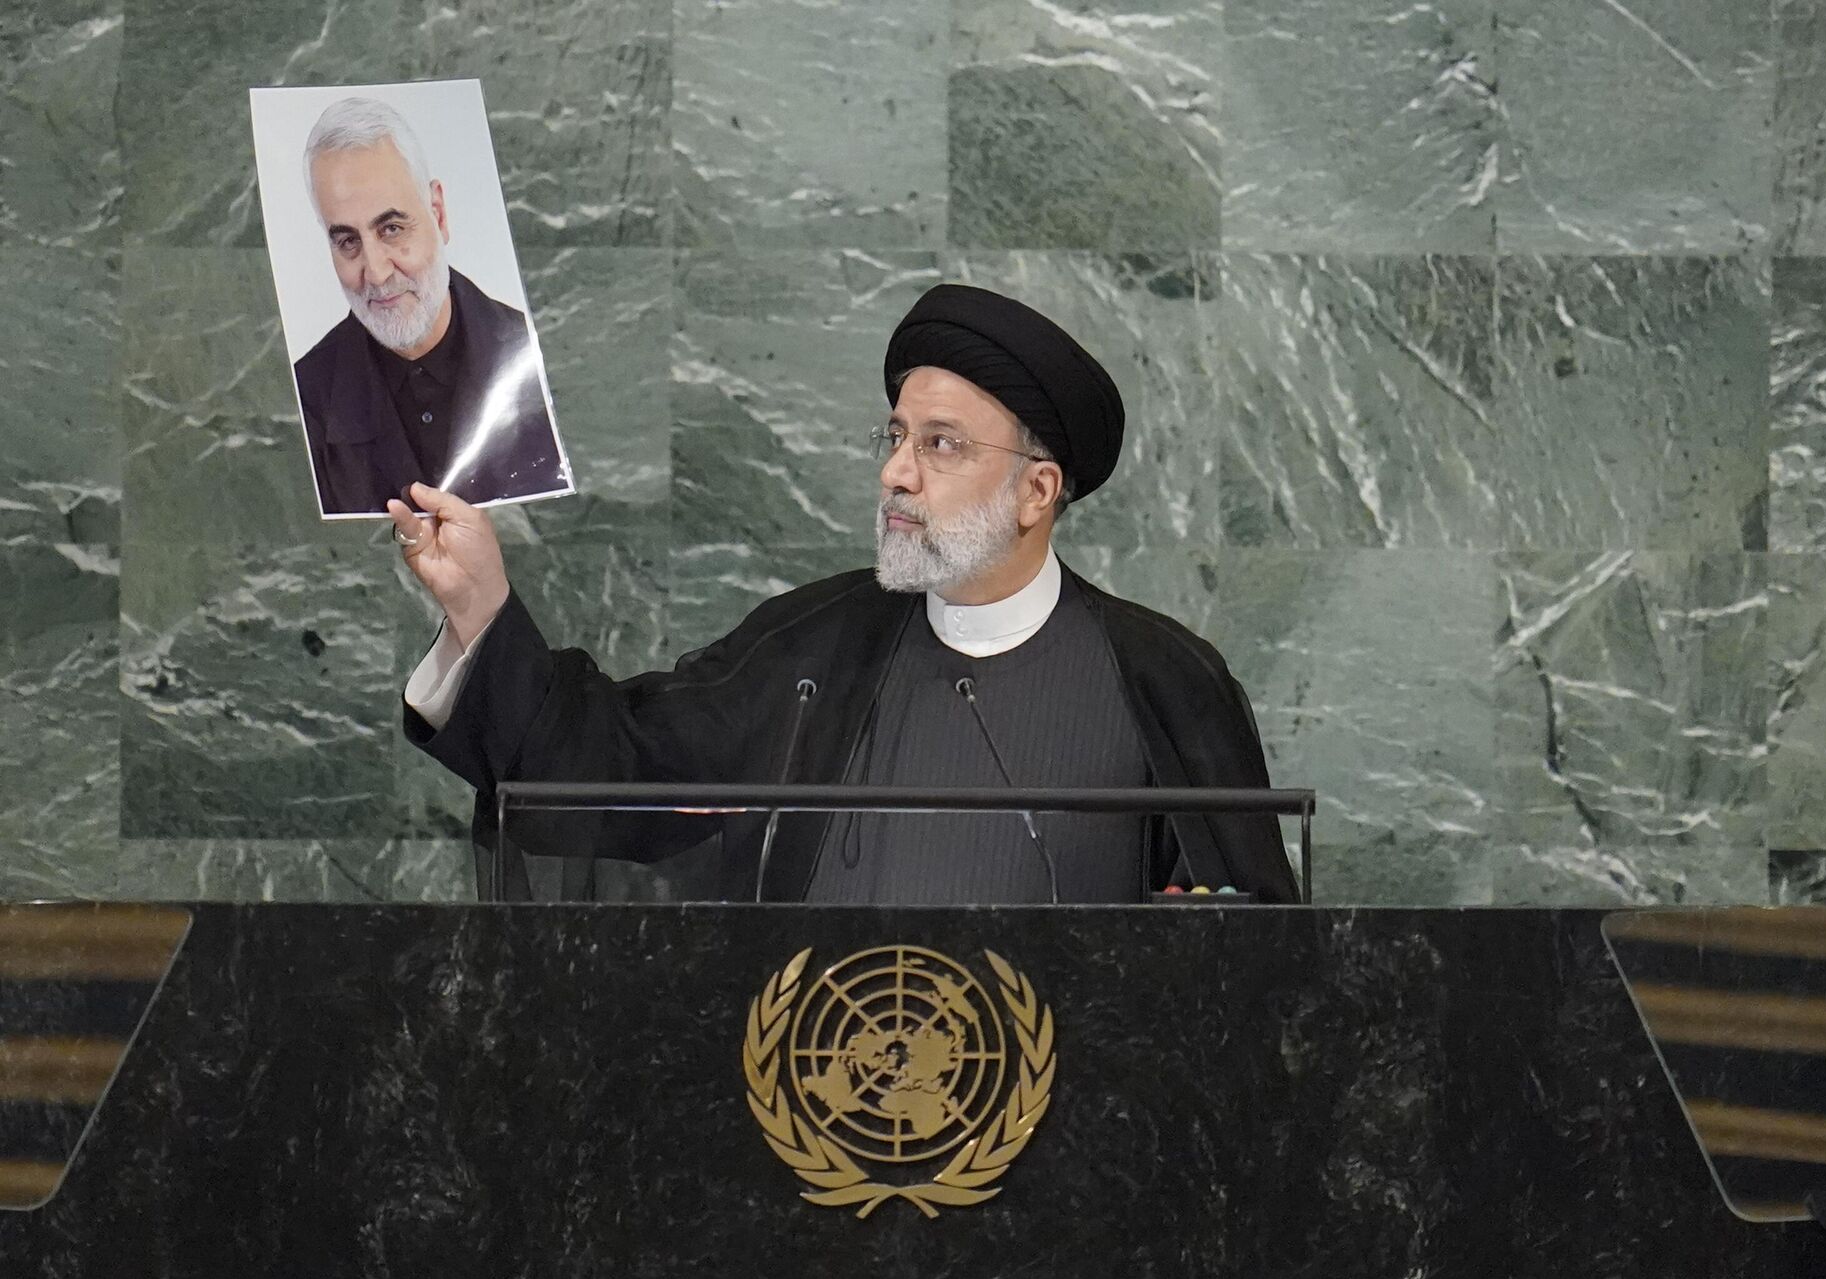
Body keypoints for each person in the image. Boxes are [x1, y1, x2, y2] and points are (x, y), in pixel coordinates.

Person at [394, 283, 1299, 904]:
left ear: (1037, 491)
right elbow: (619, 768)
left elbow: (1236, 973)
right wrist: (481, 610)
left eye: (942, 444)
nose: (896, 473)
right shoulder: (815, 647)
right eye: (897, 436)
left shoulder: (1163, 680)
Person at [293, 96, 569, 516]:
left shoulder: (544, 356)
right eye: (348, 241)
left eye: (392, 228)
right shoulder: (303, 402)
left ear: (438, 214)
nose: (377, 272)